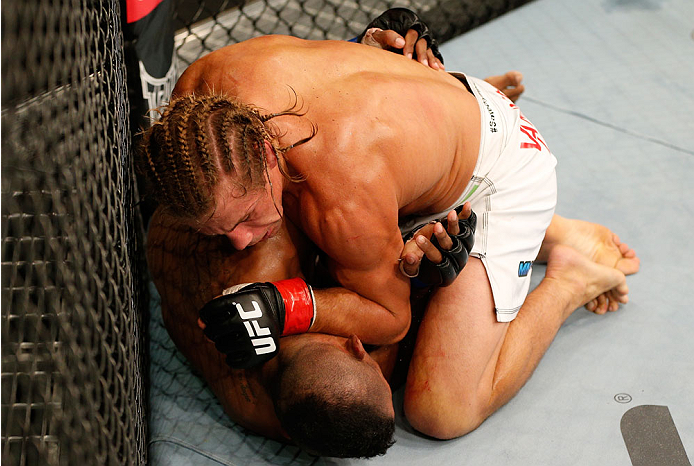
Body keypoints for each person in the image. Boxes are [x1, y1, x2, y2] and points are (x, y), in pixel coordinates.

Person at [140, 32, 639, 457]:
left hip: (501, 168)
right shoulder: (198, 117)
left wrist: (285, 305)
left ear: (266, 153)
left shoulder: (341, 199)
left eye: (247, 216)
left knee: (442, 409)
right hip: (430, 107)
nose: (238, 240)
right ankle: (536, 227)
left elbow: (390, 318)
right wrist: (372, 43)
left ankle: (570, 273)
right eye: (220, 227)